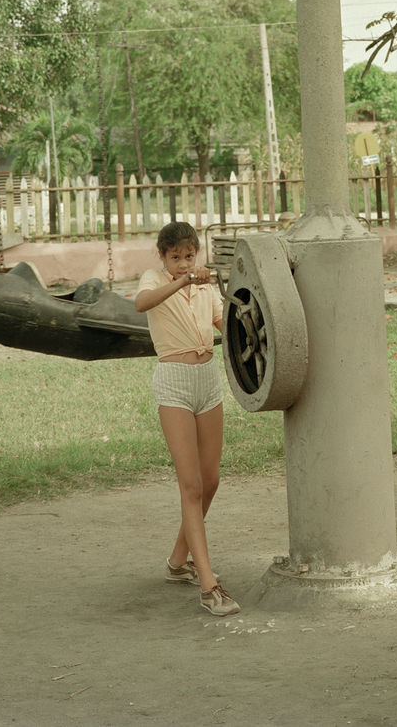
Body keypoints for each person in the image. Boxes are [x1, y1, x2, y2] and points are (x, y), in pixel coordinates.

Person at [132, 221, 238, 616]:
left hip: (207, 381)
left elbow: (226, 324)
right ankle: (209, 586)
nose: (183, 262)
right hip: (174, 383)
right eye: (174, 257)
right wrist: (183, 281)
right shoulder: (154, 280)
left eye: (189, 256)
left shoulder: (205, 287)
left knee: (210, 481)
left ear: (197, 254)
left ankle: (178, 562)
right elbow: (141, 304)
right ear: (162, 256)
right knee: (190, 486)